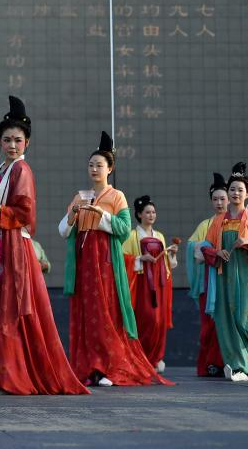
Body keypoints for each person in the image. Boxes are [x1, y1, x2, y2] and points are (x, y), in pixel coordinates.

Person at [0, 97, 88, 395]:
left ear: (27, 143)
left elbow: (25, 213)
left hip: (13, 248)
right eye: (7, 140)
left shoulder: (21, 170)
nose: (12, 145)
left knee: (11, 312)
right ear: (0, 142)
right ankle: (1, 376)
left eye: (18, 140)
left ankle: (14, 377)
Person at [60, 131, 170, 387]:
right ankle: (89, 366)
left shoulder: (116, 196)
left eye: (99, 165)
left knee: (107, 313)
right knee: (87, 314)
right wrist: (74, 213)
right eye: (91, 164)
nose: (94, 169)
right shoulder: (80, 196)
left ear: (110, 169)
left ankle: (109, 366)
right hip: (84, 261)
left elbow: (123, 229)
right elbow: (64, 230)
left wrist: (101, 215)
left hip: (105, 262)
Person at [196, 162, 248, 382]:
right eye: (232, 189)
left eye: (240, 190)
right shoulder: (218, 221)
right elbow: (204, 247)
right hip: (225, 280)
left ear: (247, 194)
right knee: (228, 323)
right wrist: (217, 252)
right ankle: (239, 366)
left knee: (247, 321)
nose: (235, 193)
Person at [122, 195, 176, 373]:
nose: (151, 215)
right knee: (147, 319)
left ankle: (156, 358)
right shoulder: (131, 236)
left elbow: (166, 263)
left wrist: (171, 254)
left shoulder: (159, 236)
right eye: (147, 212)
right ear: (139, 214)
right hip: (141, 283)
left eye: (153, 212)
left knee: (159, 321)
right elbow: (122, 258)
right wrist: (139, 258)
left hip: (160, 283)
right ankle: (141, 357)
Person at [185, 173, 228, 376]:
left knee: (228, 323)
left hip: (229, 281)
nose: (219, 203)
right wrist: (208, 249)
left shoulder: (235, 223)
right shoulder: (205, 225)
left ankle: (229, 360)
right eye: (215, 199)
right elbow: (193, 250)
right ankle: (211, 362)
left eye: (222, 199)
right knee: (209, 325)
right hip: (209, 282)